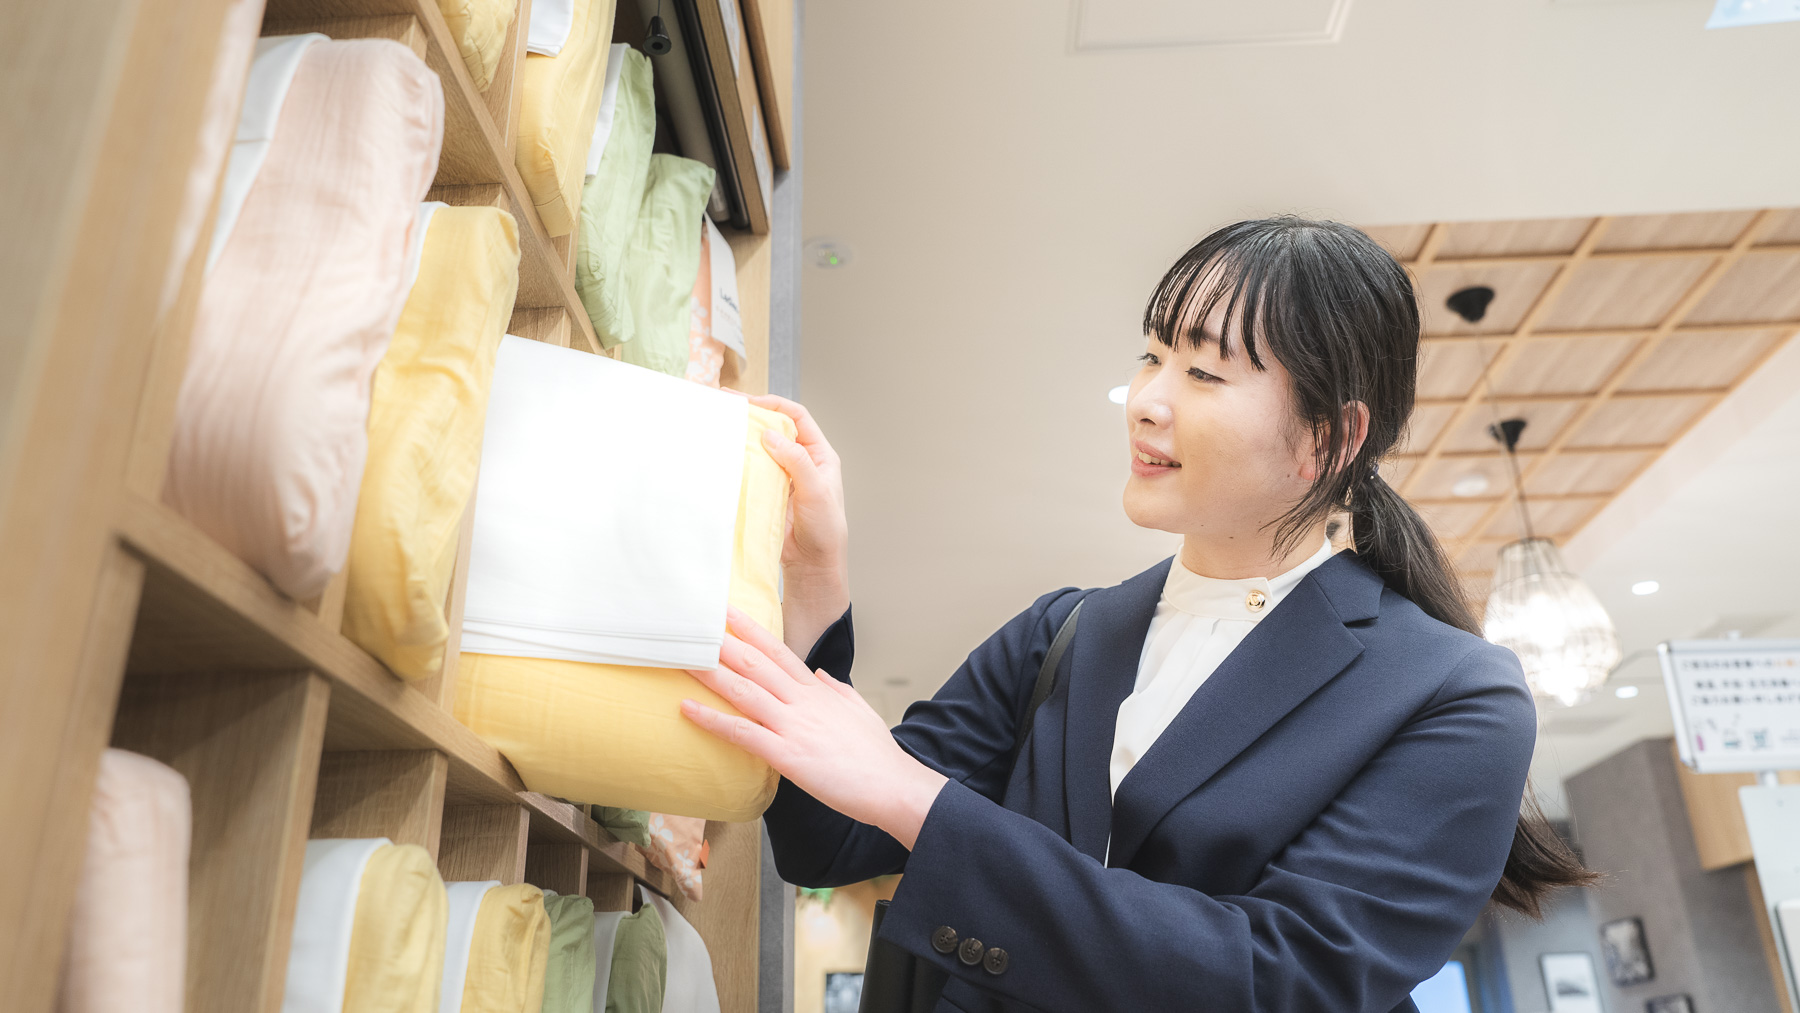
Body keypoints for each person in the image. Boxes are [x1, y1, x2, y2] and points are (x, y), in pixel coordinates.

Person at [681, 217, 1592, 1012]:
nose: (1148, 399)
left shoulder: (1453, 691)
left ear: (1331, 437)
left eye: (1204, 371)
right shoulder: (1064, 634)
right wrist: (813, 579)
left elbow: (1279, 978)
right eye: (1153, 355)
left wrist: (923, 802)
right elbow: (829, 838)